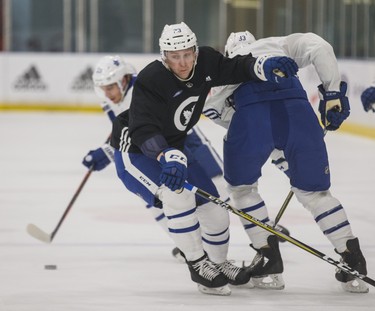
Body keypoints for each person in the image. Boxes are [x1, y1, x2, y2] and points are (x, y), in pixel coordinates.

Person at [110, 22, 299, 295]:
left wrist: (263, 66)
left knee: (215, 206)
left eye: (187, 54)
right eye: (175, 56)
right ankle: (198, 265)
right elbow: (143, 130)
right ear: (164, 55)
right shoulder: (152, 79)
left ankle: (219, 263)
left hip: (174, 148)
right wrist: (166, 155)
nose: (183, 62)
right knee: (178, 195)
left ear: (195, 50)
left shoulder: (207, 61)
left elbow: (237, 68)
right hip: (136, 152)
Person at [204, 30, 368, 293]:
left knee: (242, 188)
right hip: (299, 113)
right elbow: (320, 46)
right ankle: (352, 257)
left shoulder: (227, 66)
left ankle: (267, 254)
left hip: (251, 119)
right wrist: (333, 93)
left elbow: (213, 109)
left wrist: (257, 135)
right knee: (315, 192)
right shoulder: (277, 44)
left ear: (228, 50)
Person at [82, 55, 229, 263]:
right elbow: (127, 137)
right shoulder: (112, 100)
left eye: (111, 87)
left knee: (218, 192)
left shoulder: (142, 91)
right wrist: (108, 150)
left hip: (185, 143)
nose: (108, 93)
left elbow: (146, 131)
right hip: (154, 152)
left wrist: (106, 152)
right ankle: (190, 246)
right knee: (159, 201)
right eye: (104, 88)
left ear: (123, 80)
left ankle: (258, 226)